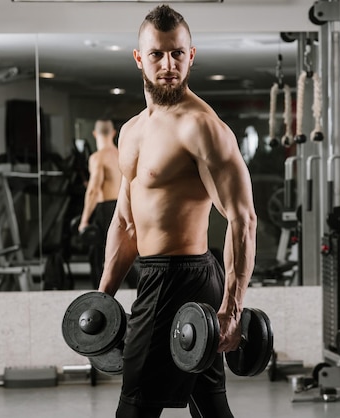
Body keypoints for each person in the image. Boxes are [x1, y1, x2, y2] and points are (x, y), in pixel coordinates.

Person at [97, 5, 257, 418]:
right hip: (153, 275)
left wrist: (231, 309)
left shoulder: (202, 127)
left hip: (185, 275)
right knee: (208, 404)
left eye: (177, 53)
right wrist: (103, 297)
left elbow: (243, 219)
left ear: (191, 55)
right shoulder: (130, 131)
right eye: (157, 54)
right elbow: (125, 221)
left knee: (134, 405)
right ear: (139, 58)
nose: (168, 64)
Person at [78, 118, 122, 289]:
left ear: (95, 134)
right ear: (113, 133)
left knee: (97, 256)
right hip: (123, 206)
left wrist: (84, 220)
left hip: (106, 208)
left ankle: (99, 296)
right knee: (121, 254)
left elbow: (93, 191)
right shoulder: (122, 154)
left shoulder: (97, 158)